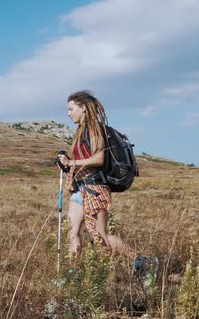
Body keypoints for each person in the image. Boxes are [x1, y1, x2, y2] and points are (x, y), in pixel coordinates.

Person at [58, 90, 156, 279]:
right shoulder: (81, 131)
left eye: (71, 109)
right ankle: (73, 273)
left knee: (101, 237)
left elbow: (99, 158)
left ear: (83, 108)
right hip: (80, 189)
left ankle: (142, 262)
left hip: (95, 189)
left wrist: (72, 163)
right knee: (73, 230)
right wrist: (67, 161)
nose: (69, 113)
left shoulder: (94, 129)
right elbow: (84, 160)